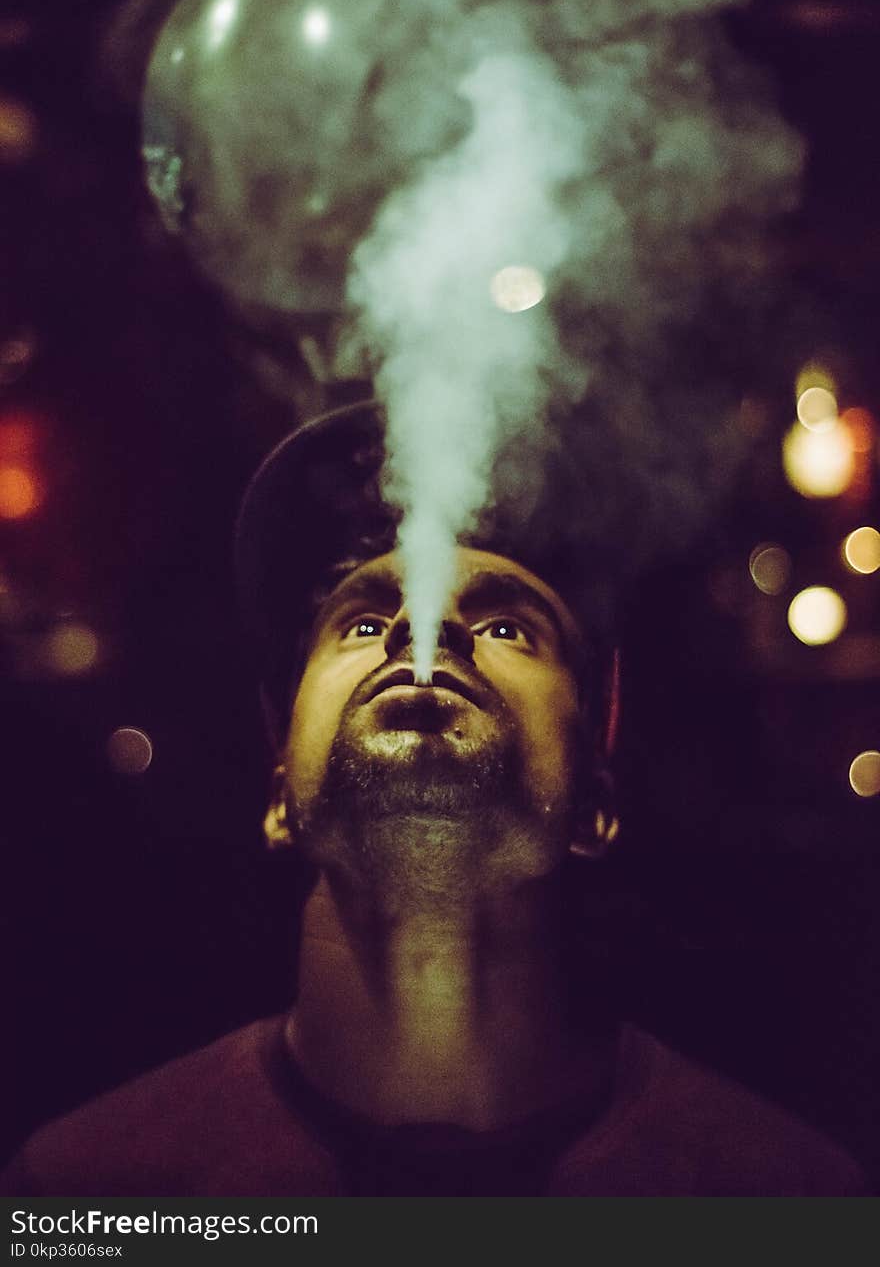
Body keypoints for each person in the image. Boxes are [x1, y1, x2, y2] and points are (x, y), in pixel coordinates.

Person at [1, 403, 869, 1196]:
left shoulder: (781, 1196)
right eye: (364, 623)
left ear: (595, 804)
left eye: (505, 628)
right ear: (278, 797)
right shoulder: (92, 1190)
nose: (424, 629)